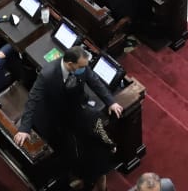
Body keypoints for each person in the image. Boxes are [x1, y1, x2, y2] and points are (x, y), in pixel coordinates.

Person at [14, 47, 123, 190]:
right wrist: (24, 128)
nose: (85, 69)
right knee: (63, 148)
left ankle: (78, 174)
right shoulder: (48, 74)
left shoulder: (82, 67)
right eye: (82, 66)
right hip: (53, 116)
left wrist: (111, 101)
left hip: (74, 109)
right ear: (70, 64)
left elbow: (94, 81)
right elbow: (33, 100)